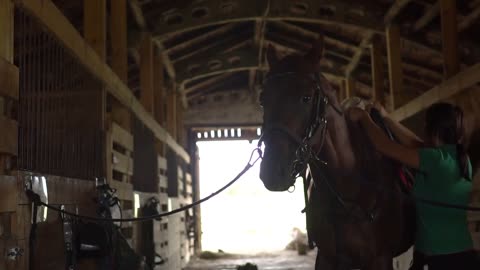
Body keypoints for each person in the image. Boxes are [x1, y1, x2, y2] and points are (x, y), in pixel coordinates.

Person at [348, 102, 480, 270]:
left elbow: (385, 146)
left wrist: (364, 117)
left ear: (433, 129)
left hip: (438, 259)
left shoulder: (435, 160)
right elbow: (413, 142)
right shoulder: (460, 160)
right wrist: (387, 118)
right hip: (460, 256)